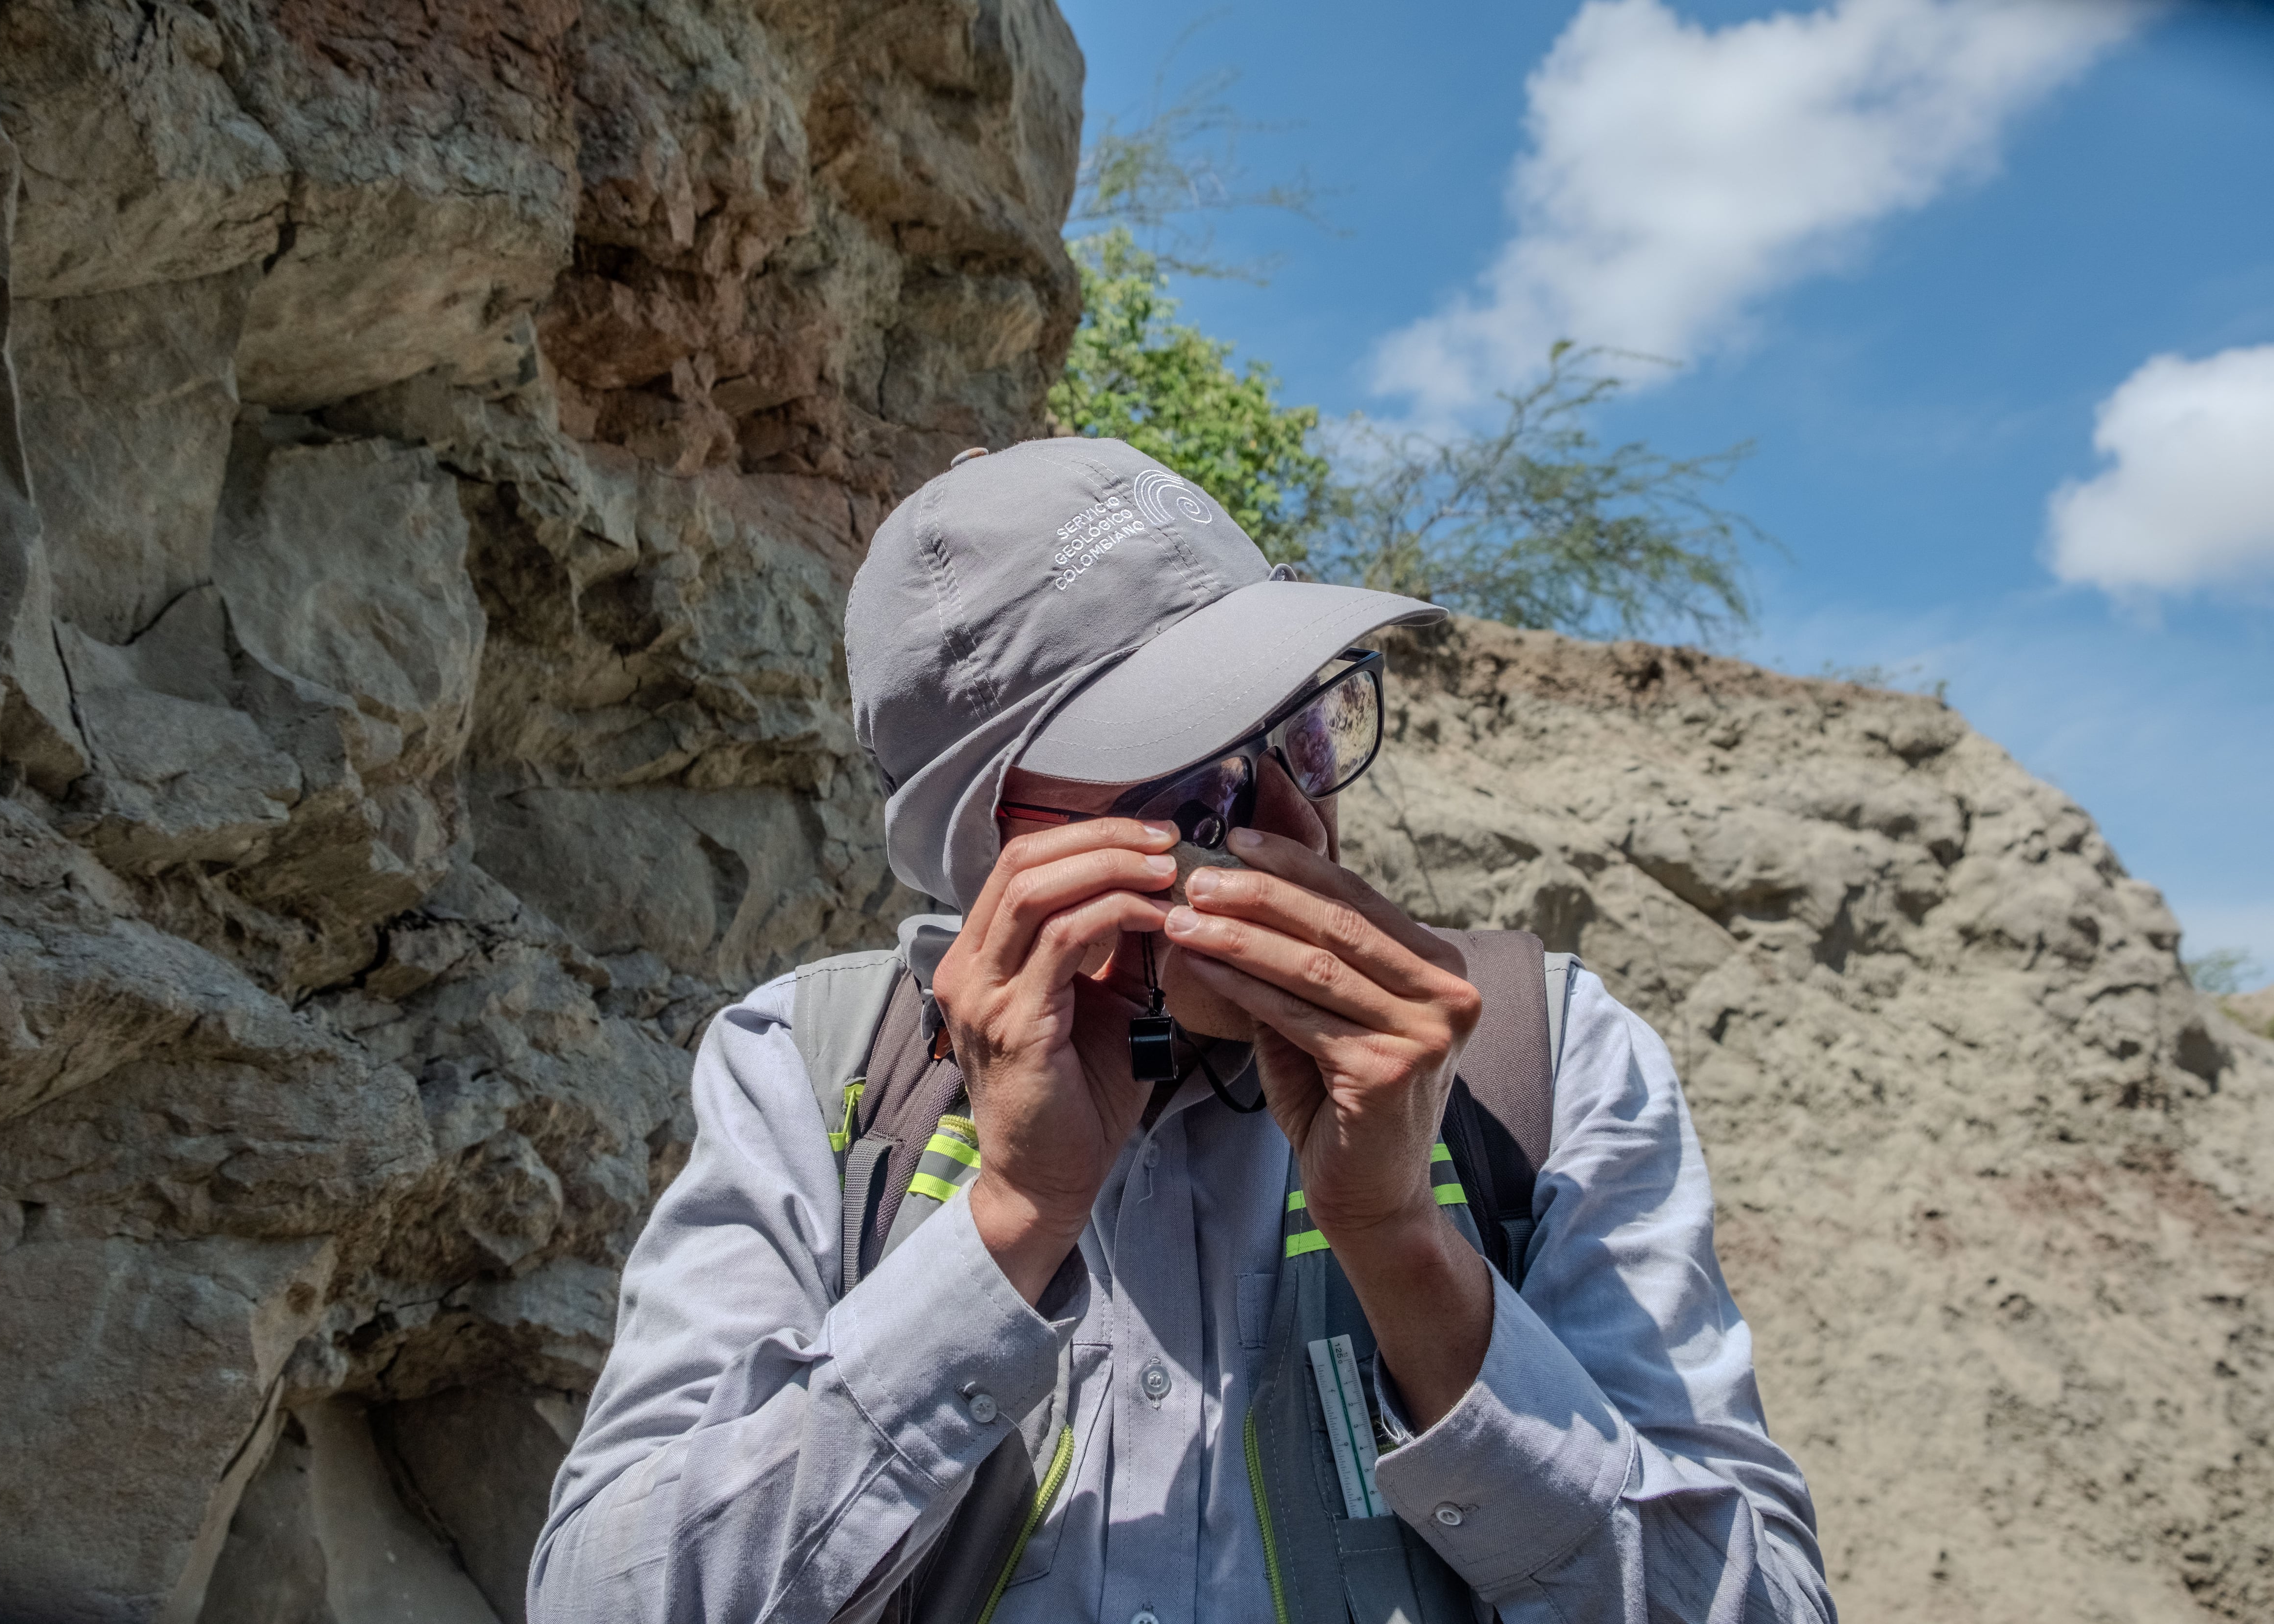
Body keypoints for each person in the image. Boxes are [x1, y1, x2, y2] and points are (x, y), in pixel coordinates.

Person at [530, 439, 1834, 1624]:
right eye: (1194, 791)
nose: (1301, 833)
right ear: (1000, 854)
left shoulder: (1536, 1060)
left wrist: (1405, 1251)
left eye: (1305, 738)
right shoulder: (811, 1070)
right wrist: (1010, 1224)